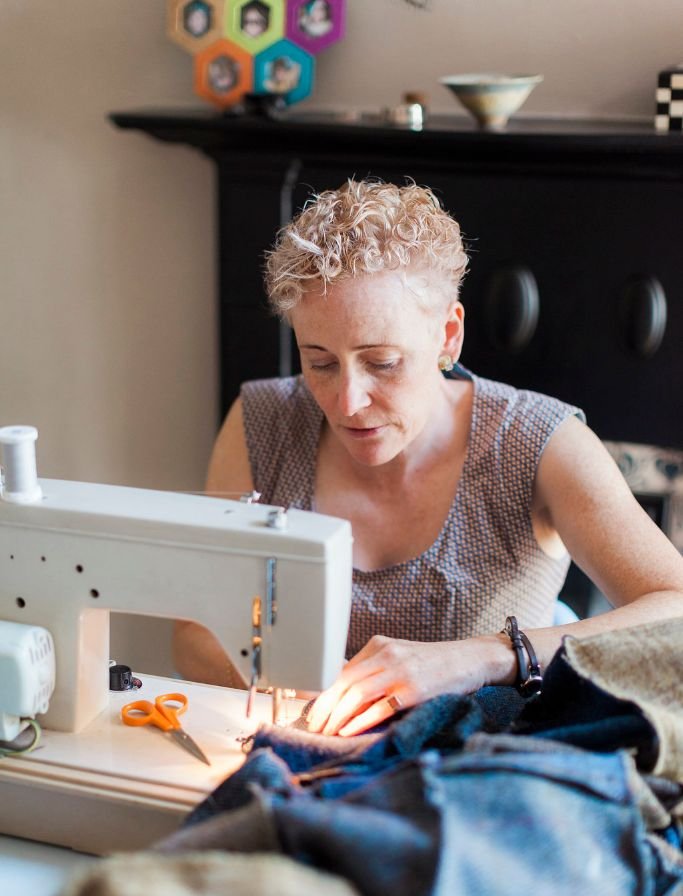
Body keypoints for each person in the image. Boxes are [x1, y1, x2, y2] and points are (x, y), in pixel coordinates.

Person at [173, 179, 683, 736]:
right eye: (320, 363)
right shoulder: (260, 423)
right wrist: (308, 685)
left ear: (448, 336)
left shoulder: (539, 443)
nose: (348, 402)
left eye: (383, 362)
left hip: (484, 771)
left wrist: (481, 658)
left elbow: (674, 612)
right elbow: (195, 635)